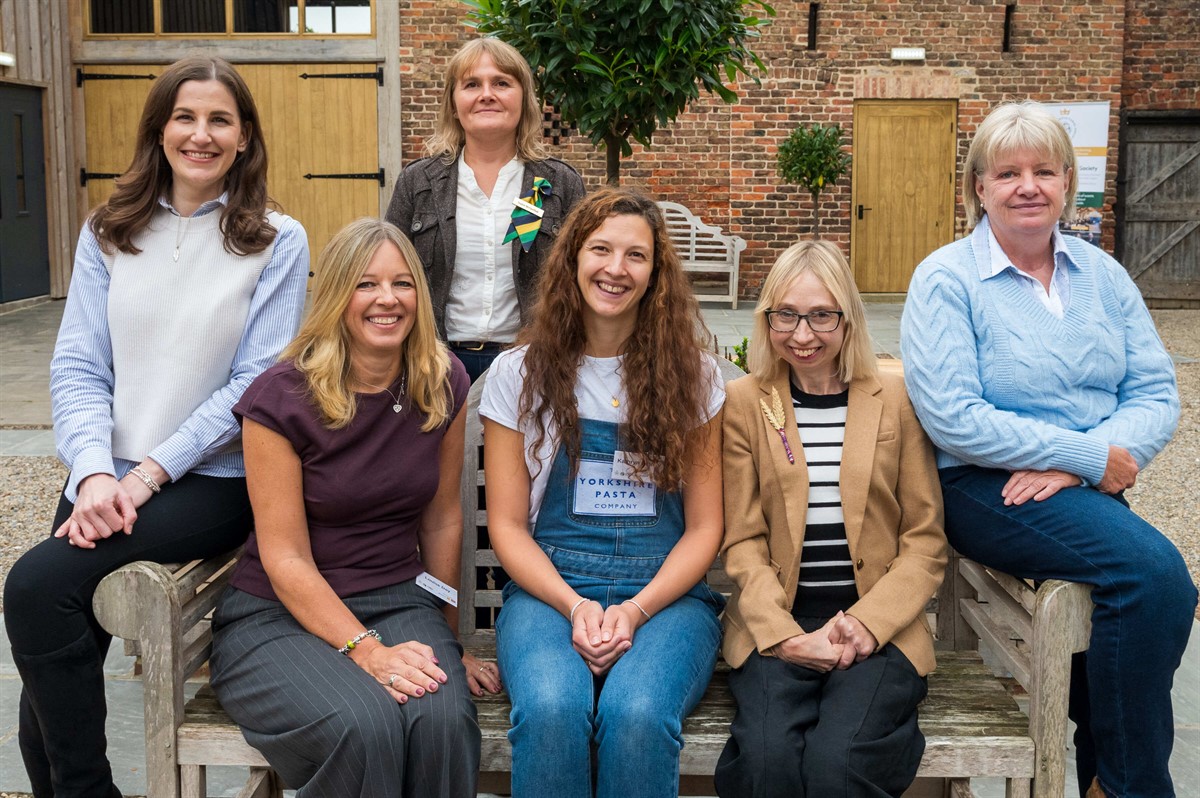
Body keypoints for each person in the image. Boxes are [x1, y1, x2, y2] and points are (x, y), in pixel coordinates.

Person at [2, 56, 308, 798]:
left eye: (219, 120)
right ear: (160, 129)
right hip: (105, 475)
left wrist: (145, 474)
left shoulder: (276, 239)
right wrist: (93, 472)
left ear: (244, 138)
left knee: (36, 588)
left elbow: (251, 387)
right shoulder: (109, 230)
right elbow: (77, 365)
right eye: (184, 116)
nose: (200, 135)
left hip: (210, 479)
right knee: (45, 671)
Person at [900, 101, 1196, 798]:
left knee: (1131, 592)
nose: (1027, 186)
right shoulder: (946, 280)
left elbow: (1155, 393)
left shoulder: (1103, 275)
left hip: (1080, 484)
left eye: (1044, 170)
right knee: (1158, 579)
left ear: (1068, 181)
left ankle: (1101, 779)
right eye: (1007, 173)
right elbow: (954, 418)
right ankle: (1131, 787)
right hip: (985, 487)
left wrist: (1077, 461)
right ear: (979, 188)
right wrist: (1092, 458)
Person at [208, 218, 487, 797]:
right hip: (277, 617)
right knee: (364, 725)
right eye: (366, 284)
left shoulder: (442, 381)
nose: (387, 299)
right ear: (337, 294)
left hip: (399, 600)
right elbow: (284, 557)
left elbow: (441, 520)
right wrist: (367, 650)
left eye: (403, 283)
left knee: (441, 718)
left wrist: (448, 640)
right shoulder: (281, 397)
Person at [479, 187, 726, 798]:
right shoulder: (519, 373)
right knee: (553, 711)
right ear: (572, 260)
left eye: (636, 256)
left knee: (639, 713)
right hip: (549, 591)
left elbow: (703, 529)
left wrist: (635, 610)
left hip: (666, 598)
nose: (616, 269)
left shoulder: (692, 375)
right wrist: (574, 606)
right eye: (601, 249)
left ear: (656, 273)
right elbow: (508, 527)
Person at [714, 240, 947, 798]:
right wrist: (784, 635)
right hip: (779, 618)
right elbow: (743, 540)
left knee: (837, 763)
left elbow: (925, 541)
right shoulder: (748, 402)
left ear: (848, 318)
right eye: (786, 315)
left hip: (877, 622)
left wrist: (868, 623)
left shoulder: (893, 397)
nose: (802, 334)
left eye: (822, 315)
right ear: (766, 317)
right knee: (767, 762)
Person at [385, 36, 586, 382]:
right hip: (437, 364)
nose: (486, 94)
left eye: (502, 83)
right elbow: (387, 274)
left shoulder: (561, 184)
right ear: (453, 102)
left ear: (524, 99)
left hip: (532, 363)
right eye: (472, 84)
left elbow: (582, 282)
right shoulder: (417, 183)